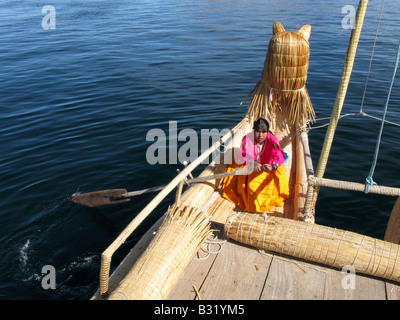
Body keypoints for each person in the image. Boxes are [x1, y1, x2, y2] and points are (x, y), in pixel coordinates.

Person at [222, 118, 289, 213]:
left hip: (268, 167)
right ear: (254, 131)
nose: (260, 135)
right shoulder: (247, 139)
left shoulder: (273, 140)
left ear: (267, 132)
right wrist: (253, 163)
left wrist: (271, 166)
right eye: (258, 131)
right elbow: (245, 154)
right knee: (251, 186)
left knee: (274, 181)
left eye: (263, 132)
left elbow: (277, 155)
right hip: (251, 165)